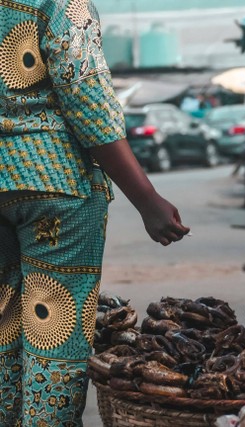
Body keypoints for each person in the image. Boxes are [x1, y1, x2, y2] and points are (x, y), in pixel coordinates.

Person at [0, 0, 190, 425]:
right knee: (55, 331)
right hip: (54, 185)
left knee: (5, 325)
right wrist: (146, 199)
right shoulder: (61, 4)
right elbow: (88, 102)